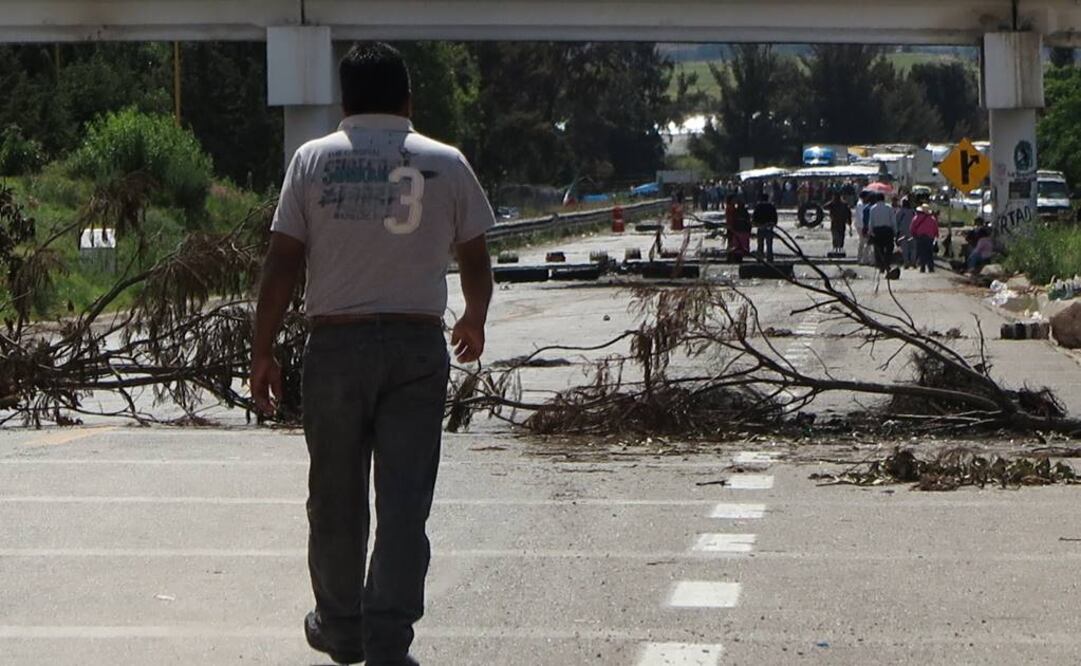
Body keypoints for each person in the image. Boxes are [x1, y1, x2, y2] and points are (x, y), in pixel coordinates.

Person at [250, 42, 495, 666]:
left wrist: (263, 350)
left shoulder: (312, 161)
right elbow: (476, 259)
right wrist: (473, 317)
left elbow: (282, 262)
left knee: (335, 496)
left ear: (343, 103)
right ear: (409, 101)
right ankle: (389, 636)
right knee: (405, 498)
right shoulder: (448, 162)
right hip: (416, 347)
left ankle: (341, 625)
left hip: (335, 345)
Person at [868, 193, 897, 273]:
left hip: (877, 231)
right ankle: (887, 264)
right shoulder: (889, 208)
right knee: (889, 249)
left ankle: (881, 266)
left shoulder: (873, 208)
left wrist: (870, 232)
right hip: (887, 230)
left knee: (878, 250)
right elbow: (893, 221)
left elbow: (871, 222)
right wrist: (895, 231)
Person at [911, 203, 940, 273]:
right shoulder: (932, 219)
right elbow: (936, 228)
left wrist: (914, 234)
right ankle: (931, 267)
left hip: (920, 237)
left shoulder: (916, 218)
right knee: (929, 253)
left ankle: (922, 267)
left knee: (921, 252)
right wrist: (936, 235)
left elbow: (912, 228)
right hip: (930, 237)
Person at [752, 192, 778, 262]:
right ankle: (769, 259)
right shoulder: (771, 206)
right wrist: (773, 224)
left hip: (760, 227)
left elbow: (754, 217)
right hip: (769, 227)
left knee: (760, 245)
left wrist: (756, 224)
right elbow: (775, 217)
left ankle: (760, 259)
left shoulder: (758, 206)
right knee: (769, 245)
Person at [895, 197, 916, 268]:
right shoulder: (913, 212)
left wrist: (896, 232)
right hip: (912, 232)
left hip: (903, 232)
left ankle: (906, 262)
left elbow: (896, 222)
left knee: (905, 248)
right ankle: (913, 262)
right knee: (913, 248)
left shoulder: (899, 212)